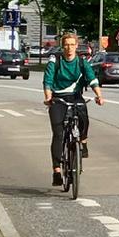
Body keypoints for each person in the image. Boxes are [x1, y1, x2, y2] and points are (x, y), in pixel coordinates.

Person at [41, 30, 104, 188]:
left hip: (75, 96)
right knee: (58, 134)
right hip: (57, 98)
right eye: (66, 45)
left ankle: (83, 141)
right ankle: (56, 170)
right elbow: (47, 80)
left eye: (72, 45)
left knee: (84, 118)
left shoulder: (82, 62)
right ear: (62, 47)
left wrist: (99, 96)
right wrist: (48, 97)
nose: (69, 48)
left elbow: (92, 79)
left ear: (76, 46)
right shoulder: (55, 61)